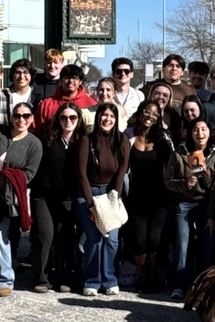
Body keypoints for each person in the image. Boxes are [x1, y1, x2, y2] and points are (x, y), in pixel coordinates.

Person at [0, 99, 43, 297]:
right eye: (17, 115)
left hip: (6, 196)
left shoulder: (34, 144)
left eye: (25, 116)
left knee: (0, 237)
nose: (21, 120)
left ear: (31, 119)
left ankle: (6, 278)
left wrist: (2, 178)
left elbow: (29, 174)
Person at [166, 116, 215, 300]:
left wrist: (212, 215)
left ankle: (204, 286)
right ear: (190, 133)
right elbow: (168, 180)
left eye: (203, 129)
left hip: (207, 203)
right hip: (183, 202)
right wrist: (185, 184)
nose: (200, 133)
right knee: (182, 244)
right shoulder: (180, 152)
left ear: (209, 132)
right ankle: (179, 285)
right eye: (195, 130)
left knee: (207, 243)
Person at [76, 102, 131, 296]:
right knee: (94, 238)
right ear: (98, 116)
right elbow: (81, 173)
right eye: (104, 115)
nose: (107, 119)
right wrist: (90, 203)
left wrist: (114, 196)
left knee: (112, 239)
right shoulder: (87, 140)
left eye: (112, 116)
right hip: (88, 193)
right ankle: (91, 280)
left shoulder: (122, 140)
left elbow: (122, 171)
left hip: (110, 194)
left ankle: (109, 279)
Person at [30, 102, 85, 294]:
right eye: (63, 117)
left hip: (68, 197)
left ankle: (64, 277)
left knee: (65, 236)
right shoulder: (47, 139)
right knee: (45, 235)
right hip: (43, 195)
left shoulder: (82, 141)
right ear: (58, 119)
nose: (68, 121)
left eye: (72, 117)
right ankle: (41, 278)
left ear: (78, 119)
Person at [127, 100, 172, 292]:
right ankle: (144, 275)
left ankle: (151, 280)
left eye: (154, 114)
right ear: (140, 112)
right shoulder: (129, 136)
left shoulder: (163, 139)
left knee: (154, 240)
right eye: (147, 112)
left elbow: (172, 166)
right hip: (137, 196)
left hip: (159, 197)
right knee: (138, 243)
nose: (150, 116)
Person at [36, 64, 97, 130]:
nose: (70, 81)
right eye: (66, 77)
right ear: (61, 80)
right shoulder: (46, 104)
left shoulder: (91, 103)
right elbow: (36, 130)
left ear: (80, 82)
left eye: (74, 78)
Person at [0, 59, 35, 135]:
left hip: (30, 138)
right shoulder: (0, 96)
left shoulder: (36, 96)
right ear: (12, 75)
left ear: (31, 75)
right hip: (4, 138)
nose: (21, 76)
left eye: (25, 72)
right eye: (18, 73)